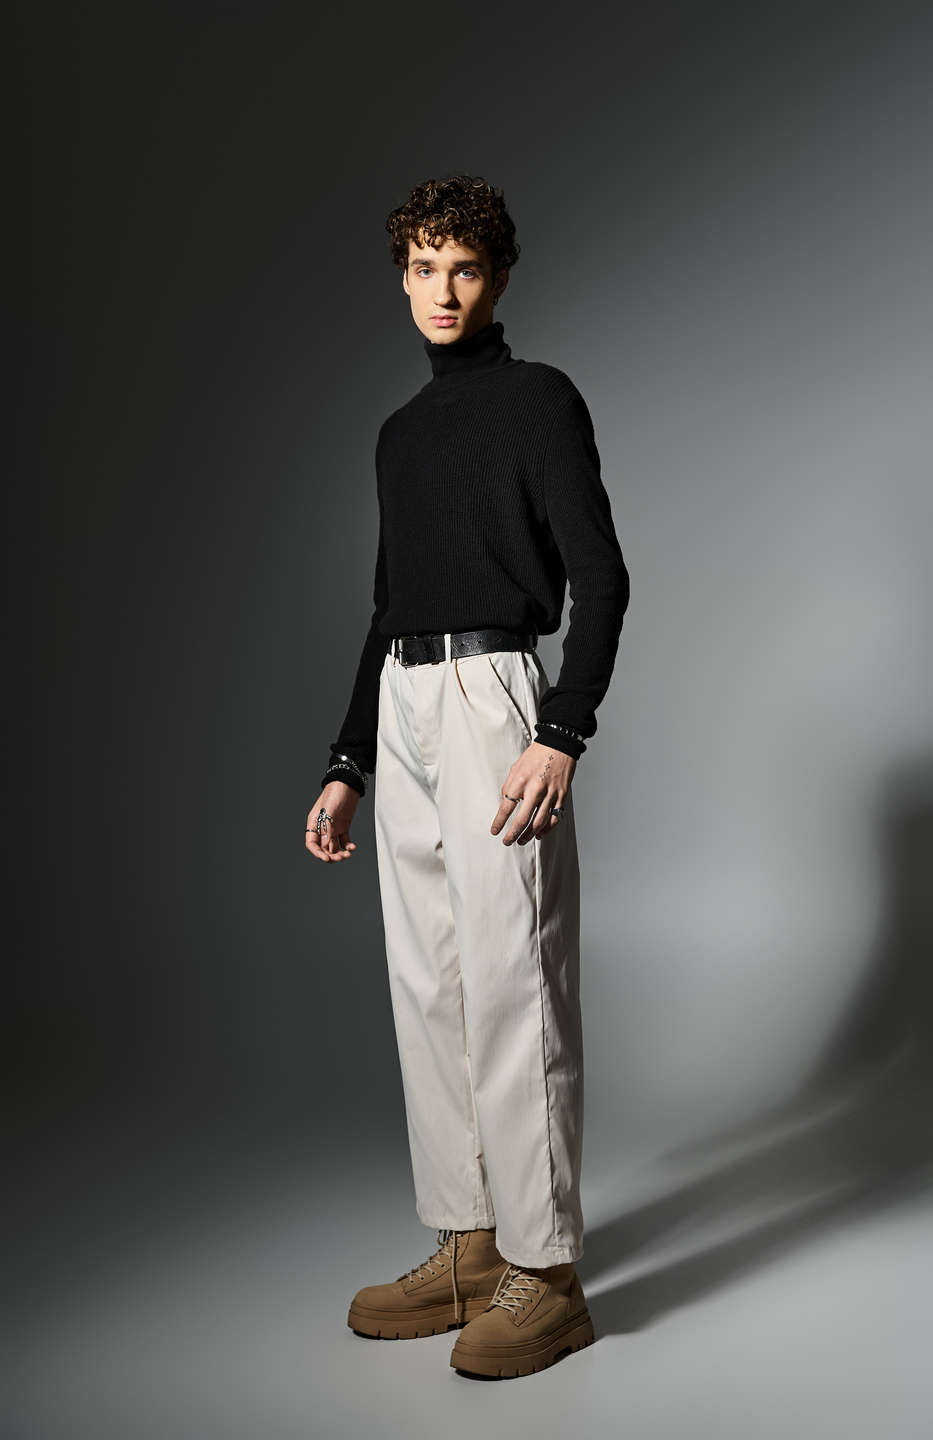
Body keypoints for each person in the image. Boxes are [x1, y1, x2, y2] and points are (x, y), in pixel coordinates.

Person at [305, 174, 629, 1379]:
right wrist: (347, 760)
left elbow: (602, 577)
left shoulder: (540, 401)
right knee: (430, 984)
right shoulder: (398, 434)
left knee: (512, 982)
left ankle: (547, 1275)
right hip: (403, 702)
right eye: (424, 268)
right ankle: (472, 1242)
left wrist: (562, 729)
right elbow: (387, 605)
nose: (443, 291)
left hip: (496, 695)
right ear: (401, 278)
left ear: (498, 278)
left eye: (466, 269)